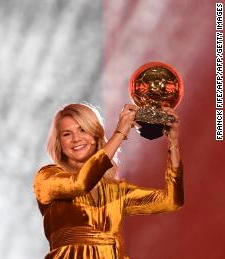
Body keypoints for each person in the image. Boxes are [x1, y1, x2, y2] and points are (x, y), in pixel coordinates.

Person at [33, 103, 183, 259]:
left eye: (83, 129)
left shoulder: (115, 190)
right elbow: (80, 183)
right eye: (66, 134)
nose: (76, 139)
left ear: (96, 134)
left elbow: (171, 201)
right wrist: (120, 133)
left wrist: (173, 142)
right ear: (59, 143)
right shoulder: (47, 178)